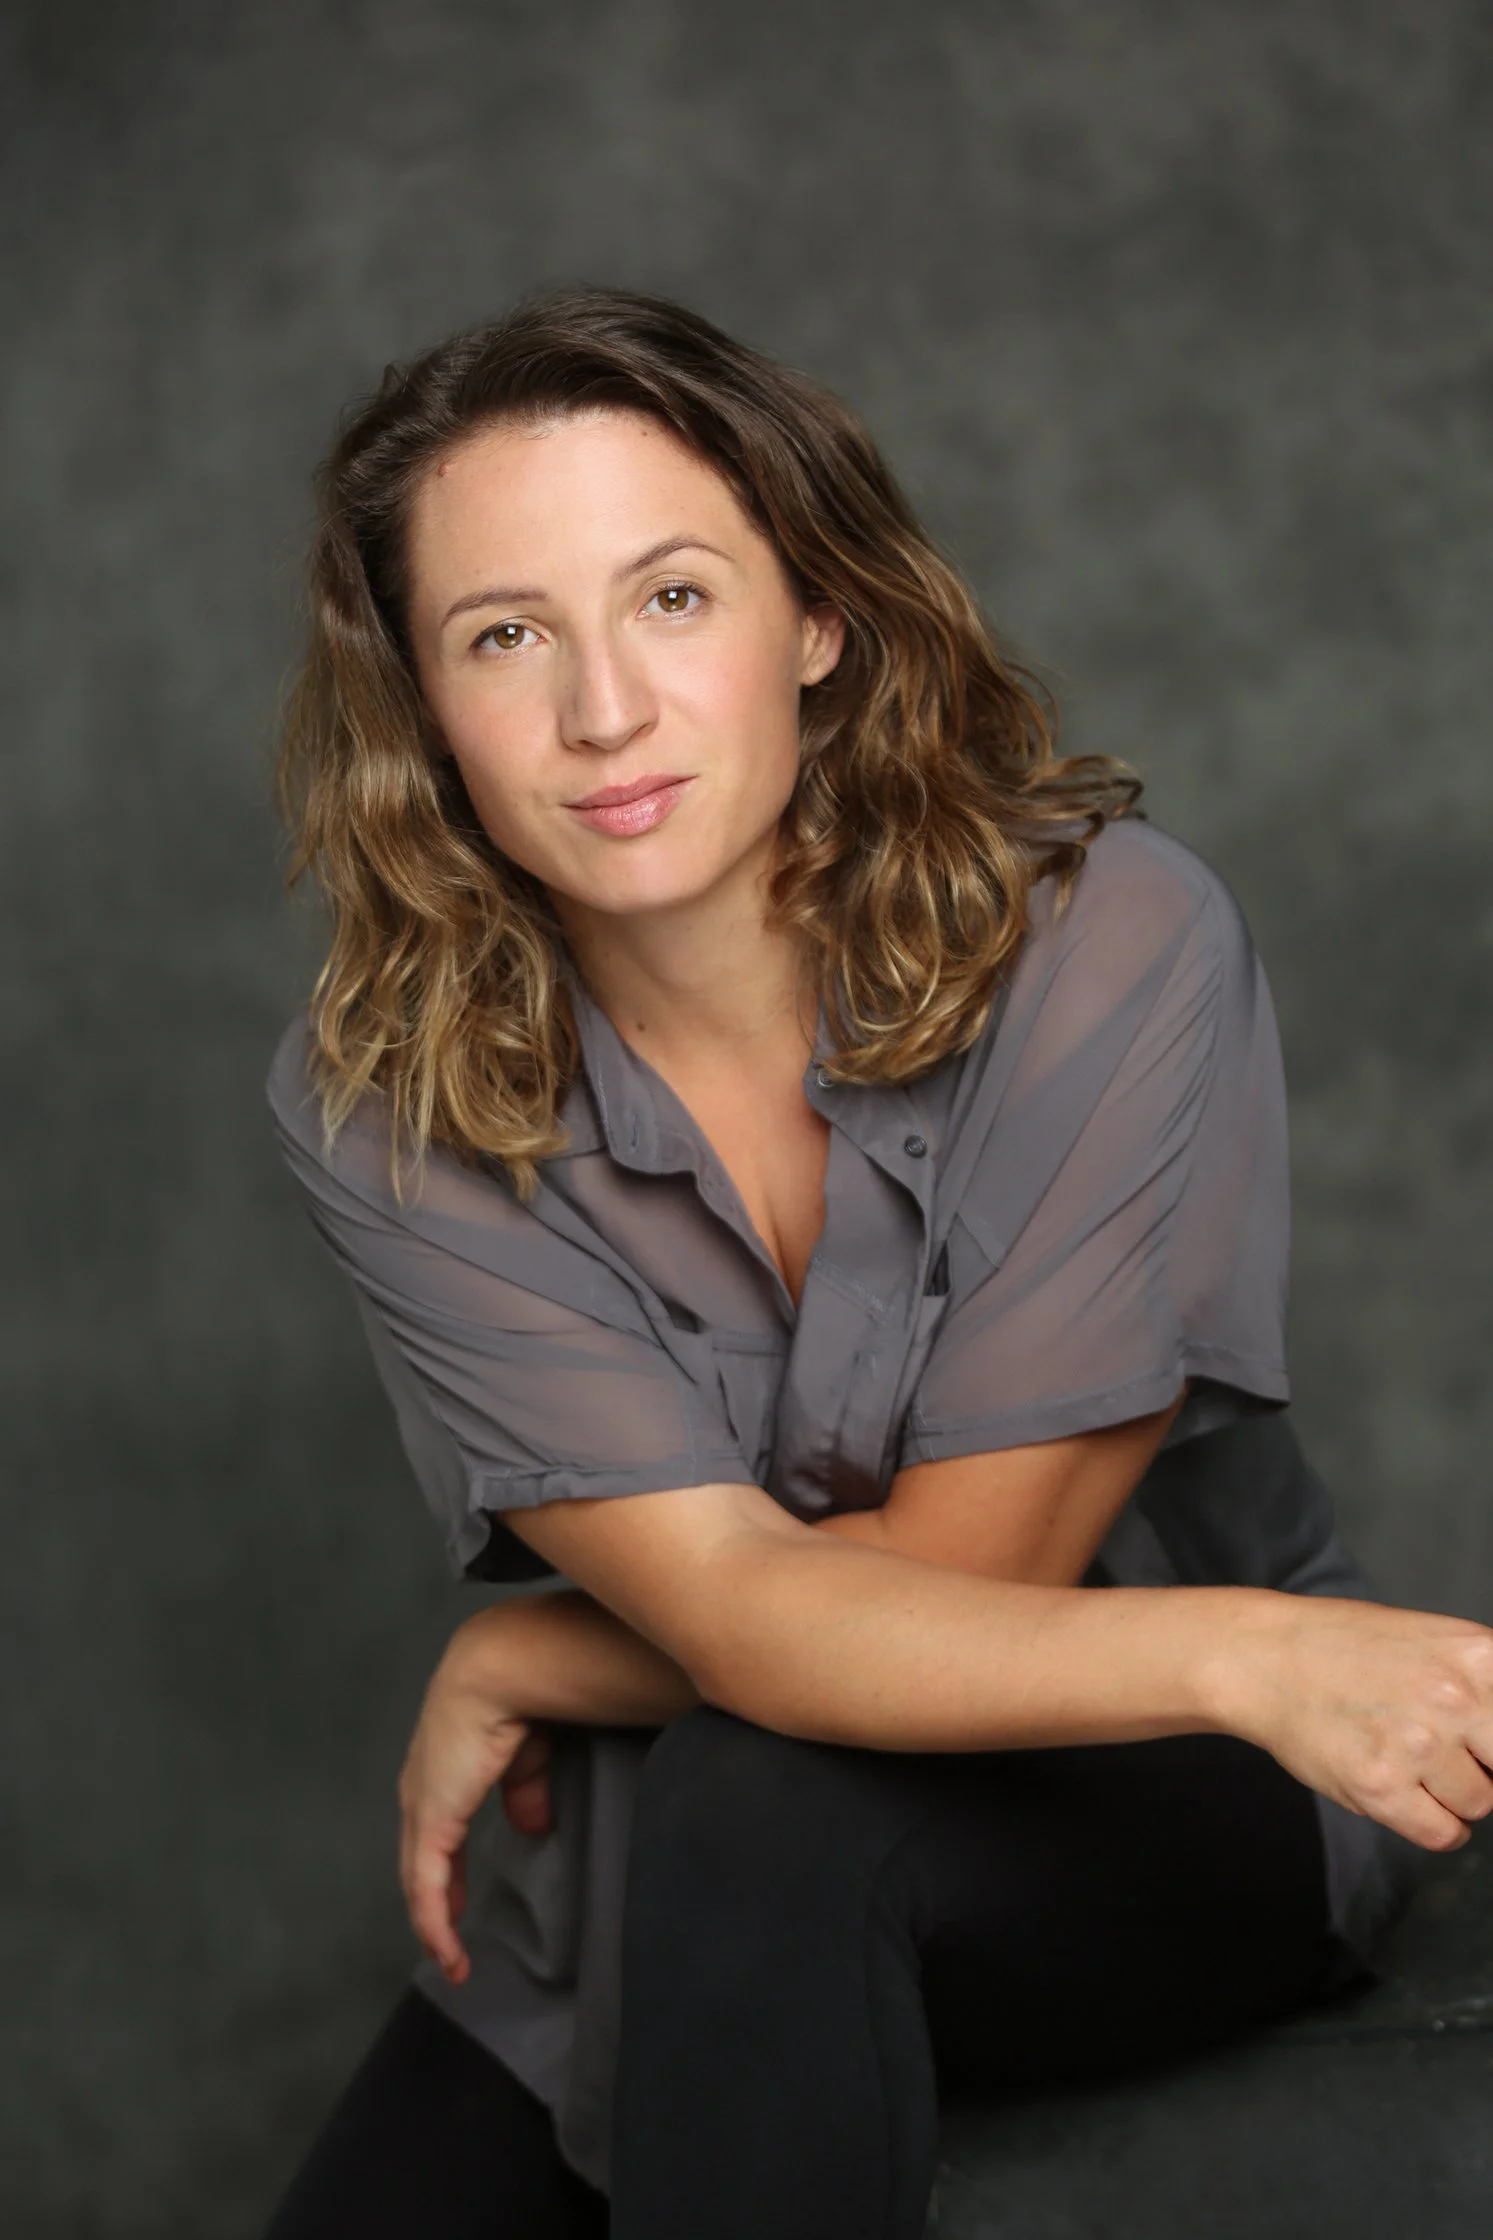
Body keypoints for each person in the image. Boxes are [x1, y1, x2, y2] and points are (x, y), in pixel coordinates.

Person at [259, 287, 1493, 2240]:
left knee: (768, 1792)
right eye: (506, 636)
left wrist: (546, 1646)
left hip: (1185, 1788)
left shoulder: (1102, 947)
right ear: (424, 706)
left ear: (812, 619)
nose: (601, 713)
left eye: (671, 597)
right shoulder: (389, 1099)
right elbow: (757, 1629)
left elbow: (962, 1581)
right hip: (667, 1884)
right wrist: (1255, 1648)